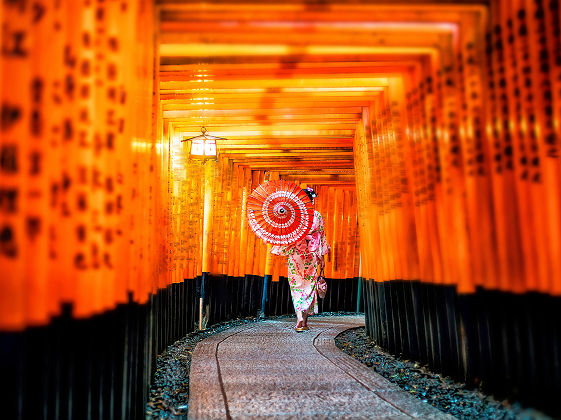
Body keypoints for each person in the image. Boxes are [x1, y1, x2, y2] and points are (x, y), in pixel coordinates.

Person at [271, 187, 329, 332]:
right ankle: (305, 322)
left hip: (296, 254)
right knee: (309, 287)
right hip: (312, 253)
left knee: (296, 286)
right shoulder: (316, 215)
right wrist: (321, 255)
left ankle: (299, 318)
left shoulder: (293, 216)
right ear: (311, 201)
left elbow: (285, 234)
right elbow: (320, 235)